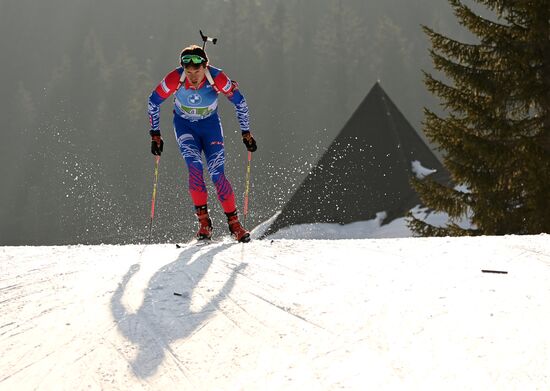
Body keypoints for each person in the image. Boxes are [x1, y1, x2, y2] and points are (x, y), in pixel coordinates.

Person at [147, 44, 257, 242]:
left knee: (217, 173)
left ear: (205, 66)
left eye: (196, 71)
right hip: (185, 127)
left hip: (210, 127)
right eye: (188, 72)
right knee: (195, 166)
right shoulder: (175, 78)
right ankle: (204, 224)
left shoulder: (217, 77)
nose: (192, 76)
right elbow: (153, 101)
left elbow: (240, 102)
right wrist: (155, 134)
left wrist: (246, 132)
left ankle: (235, 224)